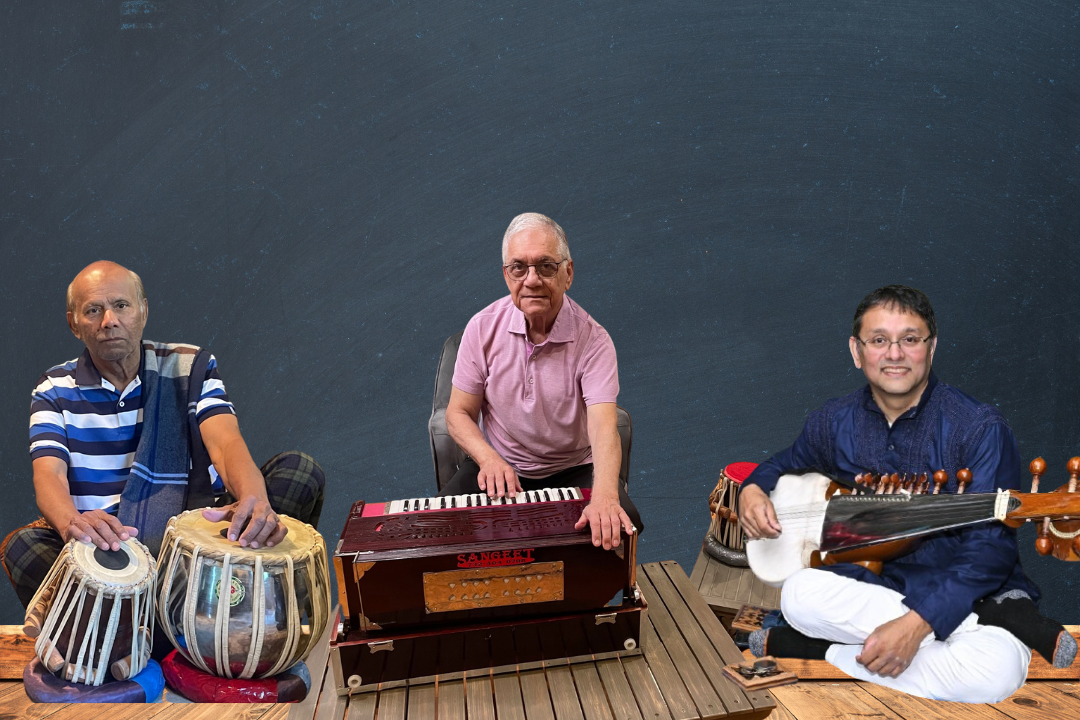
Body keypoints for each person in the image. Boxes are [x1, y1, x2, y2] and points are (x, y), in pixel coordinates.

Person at [738, 284, 1072, 703]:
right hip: (875, 596)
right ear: (857, 351)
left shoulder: (980, 428)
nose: (894, 354)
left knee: (996, 674)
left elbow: (991, 552)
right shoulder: (833, 420)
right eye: (879, 340)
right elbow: (782, 462)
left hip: (967, 591)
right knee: (798, 595)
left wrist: (917, 625)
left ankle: (819, 650)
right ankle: (977, 628)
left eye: (909, 340)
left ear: (931, 348)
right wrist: (752, 486)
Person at [2, 261, 325, 608]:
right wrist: (74, 526)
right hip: (110, 552)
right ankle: (128, 629)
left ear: (143, 310)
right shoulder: (54, 387)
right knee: (23, 547)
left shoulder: (189, 366)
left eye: (121, 305)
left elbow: (225, 441)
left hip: (199, 544)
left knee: (299, 471)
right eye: (93, 310)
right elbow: (49, 474)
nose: (109, 320)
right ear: (74, 324)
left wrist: (253, 500)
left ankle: (236, 608)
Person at [441, 213, 643, 551]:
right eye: (519, 267)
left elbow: (604, 426)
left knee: (616, 532)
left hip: (571, 468)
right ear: (507, 275)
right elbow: (457, 413)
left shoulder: (594, 341)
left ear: (568, 273)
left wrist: (606, 496)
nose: (531, 280)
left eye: (546, 266)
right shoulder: (480, 328)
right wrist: (489, 458)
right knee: (440, 533)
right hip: (501, 464)